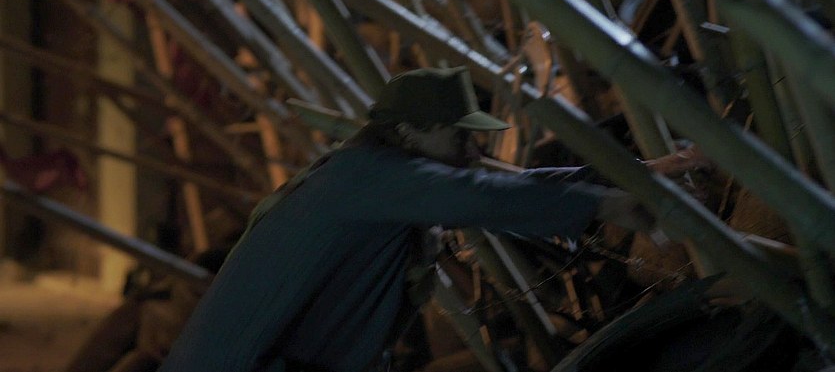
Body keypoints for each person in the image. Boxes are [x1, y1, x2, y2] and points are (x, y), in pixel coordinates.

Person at [157, 66, 654, 372]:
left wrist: (628, 176)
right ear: (411, 132)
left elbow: (500, 185)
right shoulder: (369, 177)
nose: (472, 151)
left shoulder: (373, 172)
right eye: (459, 136)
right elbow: (479, 195)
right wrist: (605, 206)